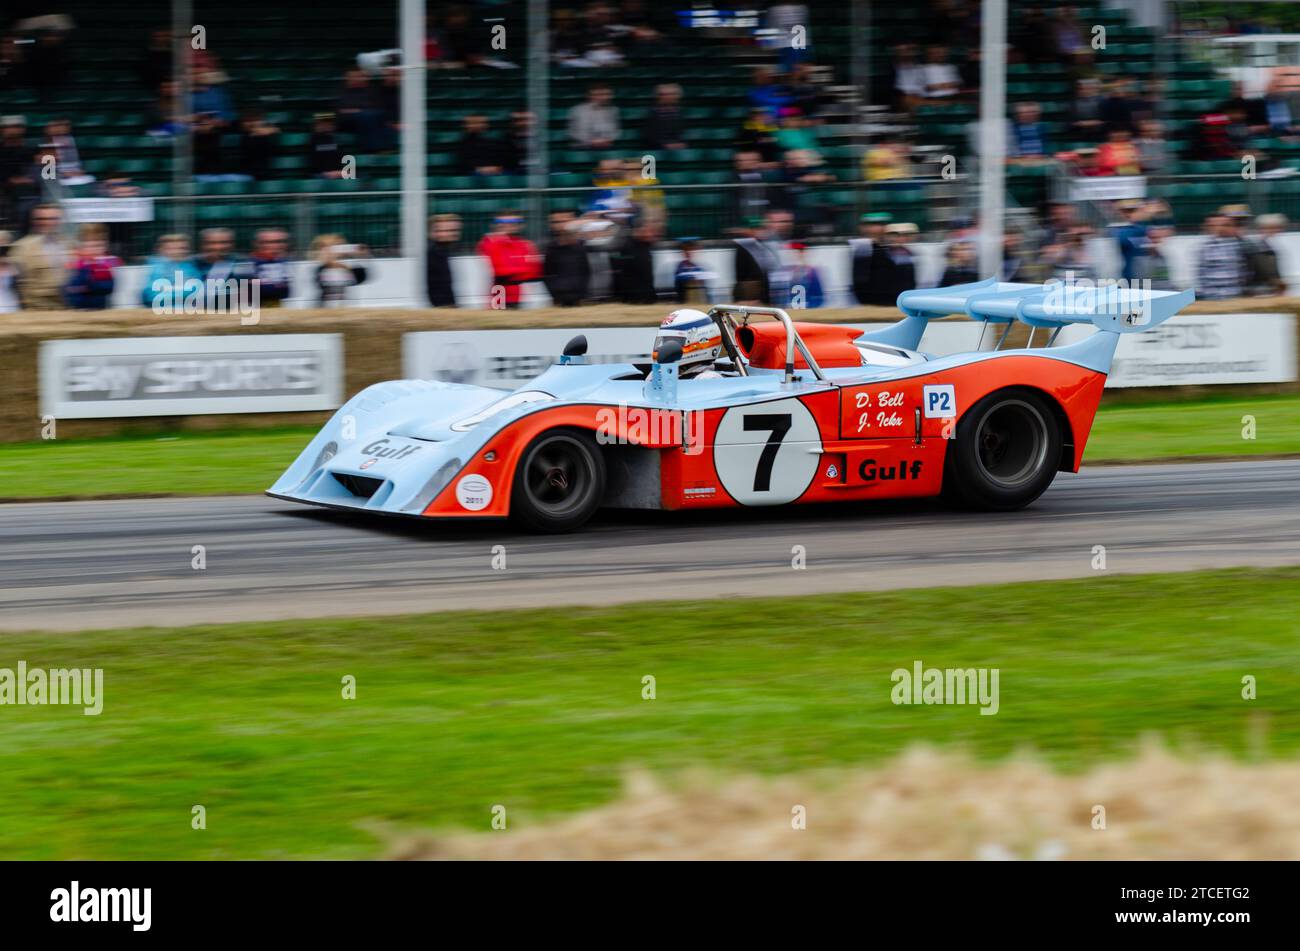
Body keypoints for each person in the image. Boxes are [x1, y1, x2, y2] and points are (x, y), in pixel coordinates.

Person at [9, 204, 71, 309]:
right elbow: (16, 285)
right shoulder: (21, 248)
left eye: (53, 219)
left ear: (59, 221)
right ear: (34, 221)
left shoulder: (70, 245)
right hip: (36, 311)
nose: (47, 222)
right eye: (42, 219)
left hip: (66, 310)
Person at [476, 211, 540, 309]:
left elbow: (533, 272)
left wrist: (518, 272)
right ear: (496, 225)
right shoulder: (489, 242)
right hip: (499, 294)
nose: (508, 225)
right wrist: (519, 271)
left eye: (513, 222)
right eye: (503, 222)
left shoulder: (525, 244)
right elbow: (499, 270)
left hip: (519, 295)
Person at [732, 209, 792, 305]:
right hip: (750, 298)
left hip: (764, 296)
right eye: (754, 229)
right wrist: (748, 298)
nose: (757, 231)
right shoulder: (742, 247)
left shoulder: (762, 244)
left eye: (759, 228)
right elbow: (741, 276)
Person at [650, 308, 725, 379]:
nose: (665, 349)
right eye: (665, 341)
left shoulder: (708, 378)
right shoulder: (659, 374)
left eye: (675, 341)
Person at [859, 222, 917, 305]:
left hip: (900, 297)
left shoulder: (907, 252)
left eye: (906, 235)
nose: (903, 238)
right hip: (888, 298)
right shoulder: (883, 253)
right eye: (898, 235)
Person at [63, 225, 120, 309]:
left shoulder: (105, 267)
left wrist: (89, 286)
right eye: (89, 246)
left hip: (101, 310)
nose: (94, 250)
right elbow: (70, 291)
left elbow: (108, 287)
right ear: (82, 248)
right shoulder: (76, 266)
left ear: (105, 247)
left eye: (98, 246)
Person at [542, 210, 590, 307]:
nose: (561, 225)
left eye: (565, 221)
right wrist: (555, 296)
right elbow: (547, 274)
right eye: (556, 222)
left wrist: (584, 296)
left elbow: (588, 272)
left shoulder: (584, 246)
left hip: (582, 300)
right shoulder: (550, 248)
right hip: (560, 301)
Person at [140, 233, 201, 309]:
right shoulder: (154, 269)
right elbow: (151, 296)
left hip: (189, 313)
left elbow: (199, 291)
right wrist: (185, 291)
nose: (178, 252)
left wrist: (168, 290)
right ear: (161, 250)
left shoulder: (191, 268)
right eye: (172, 249)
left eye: (183, 248)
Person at [611, 216, 661, 305]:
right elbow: (620, 272)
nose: (651, 234)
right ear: (638, 231)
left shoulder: (646, 245)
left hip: (647, 294)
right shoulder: (626, 247)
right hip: (634, 296)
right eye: (648, 231)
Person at [1197, 213, 1247, 300]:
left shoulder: (1239, 245)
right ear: (1208, 227)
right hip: (1212, 297)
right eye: (1214, 226)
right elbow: (1201, 274)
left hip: (1235, 295)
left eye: (1225, 225)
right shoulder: (1203, 247)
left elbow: (1243, 271)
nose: (1220, 228)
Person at [312, 234, 369, 306]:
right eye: (335, 247)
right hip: (326, 308)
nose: (339, 250)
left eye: (341, 246)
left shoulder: (346, 268)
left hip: (344, 308)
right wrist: (332, 263)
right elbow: (321, 283)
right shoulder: (321, 269)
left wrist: (362, 256)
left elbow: (362, 278)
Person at [851, 211, 891, 305]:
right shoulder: (863, 248)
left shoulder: (885, 247)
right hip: (873, 302)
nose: (882, 227)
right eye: (876, 224)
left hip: (887, 301)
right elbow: (860, 281)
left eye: (883, 224)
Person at [1245, 213, 1287, 297]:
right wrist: (1279, 286)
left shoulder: (1272, 244)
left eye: (1278, 227)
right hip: (1261, 290)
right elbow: (1267, 271)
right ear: (1262, 228)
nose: (1276, 230)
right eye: (1272, 227)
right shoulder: (1259, 246)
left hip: (1268, 289)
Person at [567, 85, 620, 150]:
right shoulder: (577, 110)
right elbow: (573, 132)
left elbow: (616, 130)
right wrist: (591, 141)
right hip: (582, 147)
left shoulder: (613, 110)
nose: (604, 97)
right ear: (590, 96)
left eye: (607, 94)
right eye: (600, 94)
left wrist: (608, 140)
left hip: (606, 146)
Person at [250, 229, 292, 306]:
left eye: (279, 242)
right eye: (269, 242)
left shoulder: (284, 262)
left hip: (277, 306)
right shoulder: (251, 264)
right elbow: (254, 293)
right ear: (258, 244)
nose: (275, 246)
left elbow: (286, 292)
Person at [426, 213, 460, 307]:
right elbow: (438, 286)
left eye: (455, 230)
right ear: (433, 232)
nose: (454, 233)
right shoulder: (434, 252)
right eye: (448, 230)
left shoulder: (443, 250)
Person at [642, 83, 684, 152]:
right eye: (665, 94)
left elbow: (680, 133)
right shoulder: (652, 113)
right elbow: (649, 136)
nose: (669, 97)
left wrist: (677, 143)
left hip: (675, 149)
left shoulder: (679, 113)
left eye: (672, 94)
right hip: (655, 150)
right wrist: (665, 144)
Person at [787, 242, 824, 309]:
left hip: (807, 311)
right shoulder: (789, 272)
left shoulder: (812, 272)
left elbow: (819, 297)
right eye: (794, 252)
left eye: (799, 252)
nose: (796, 255)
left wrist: (808, 308)